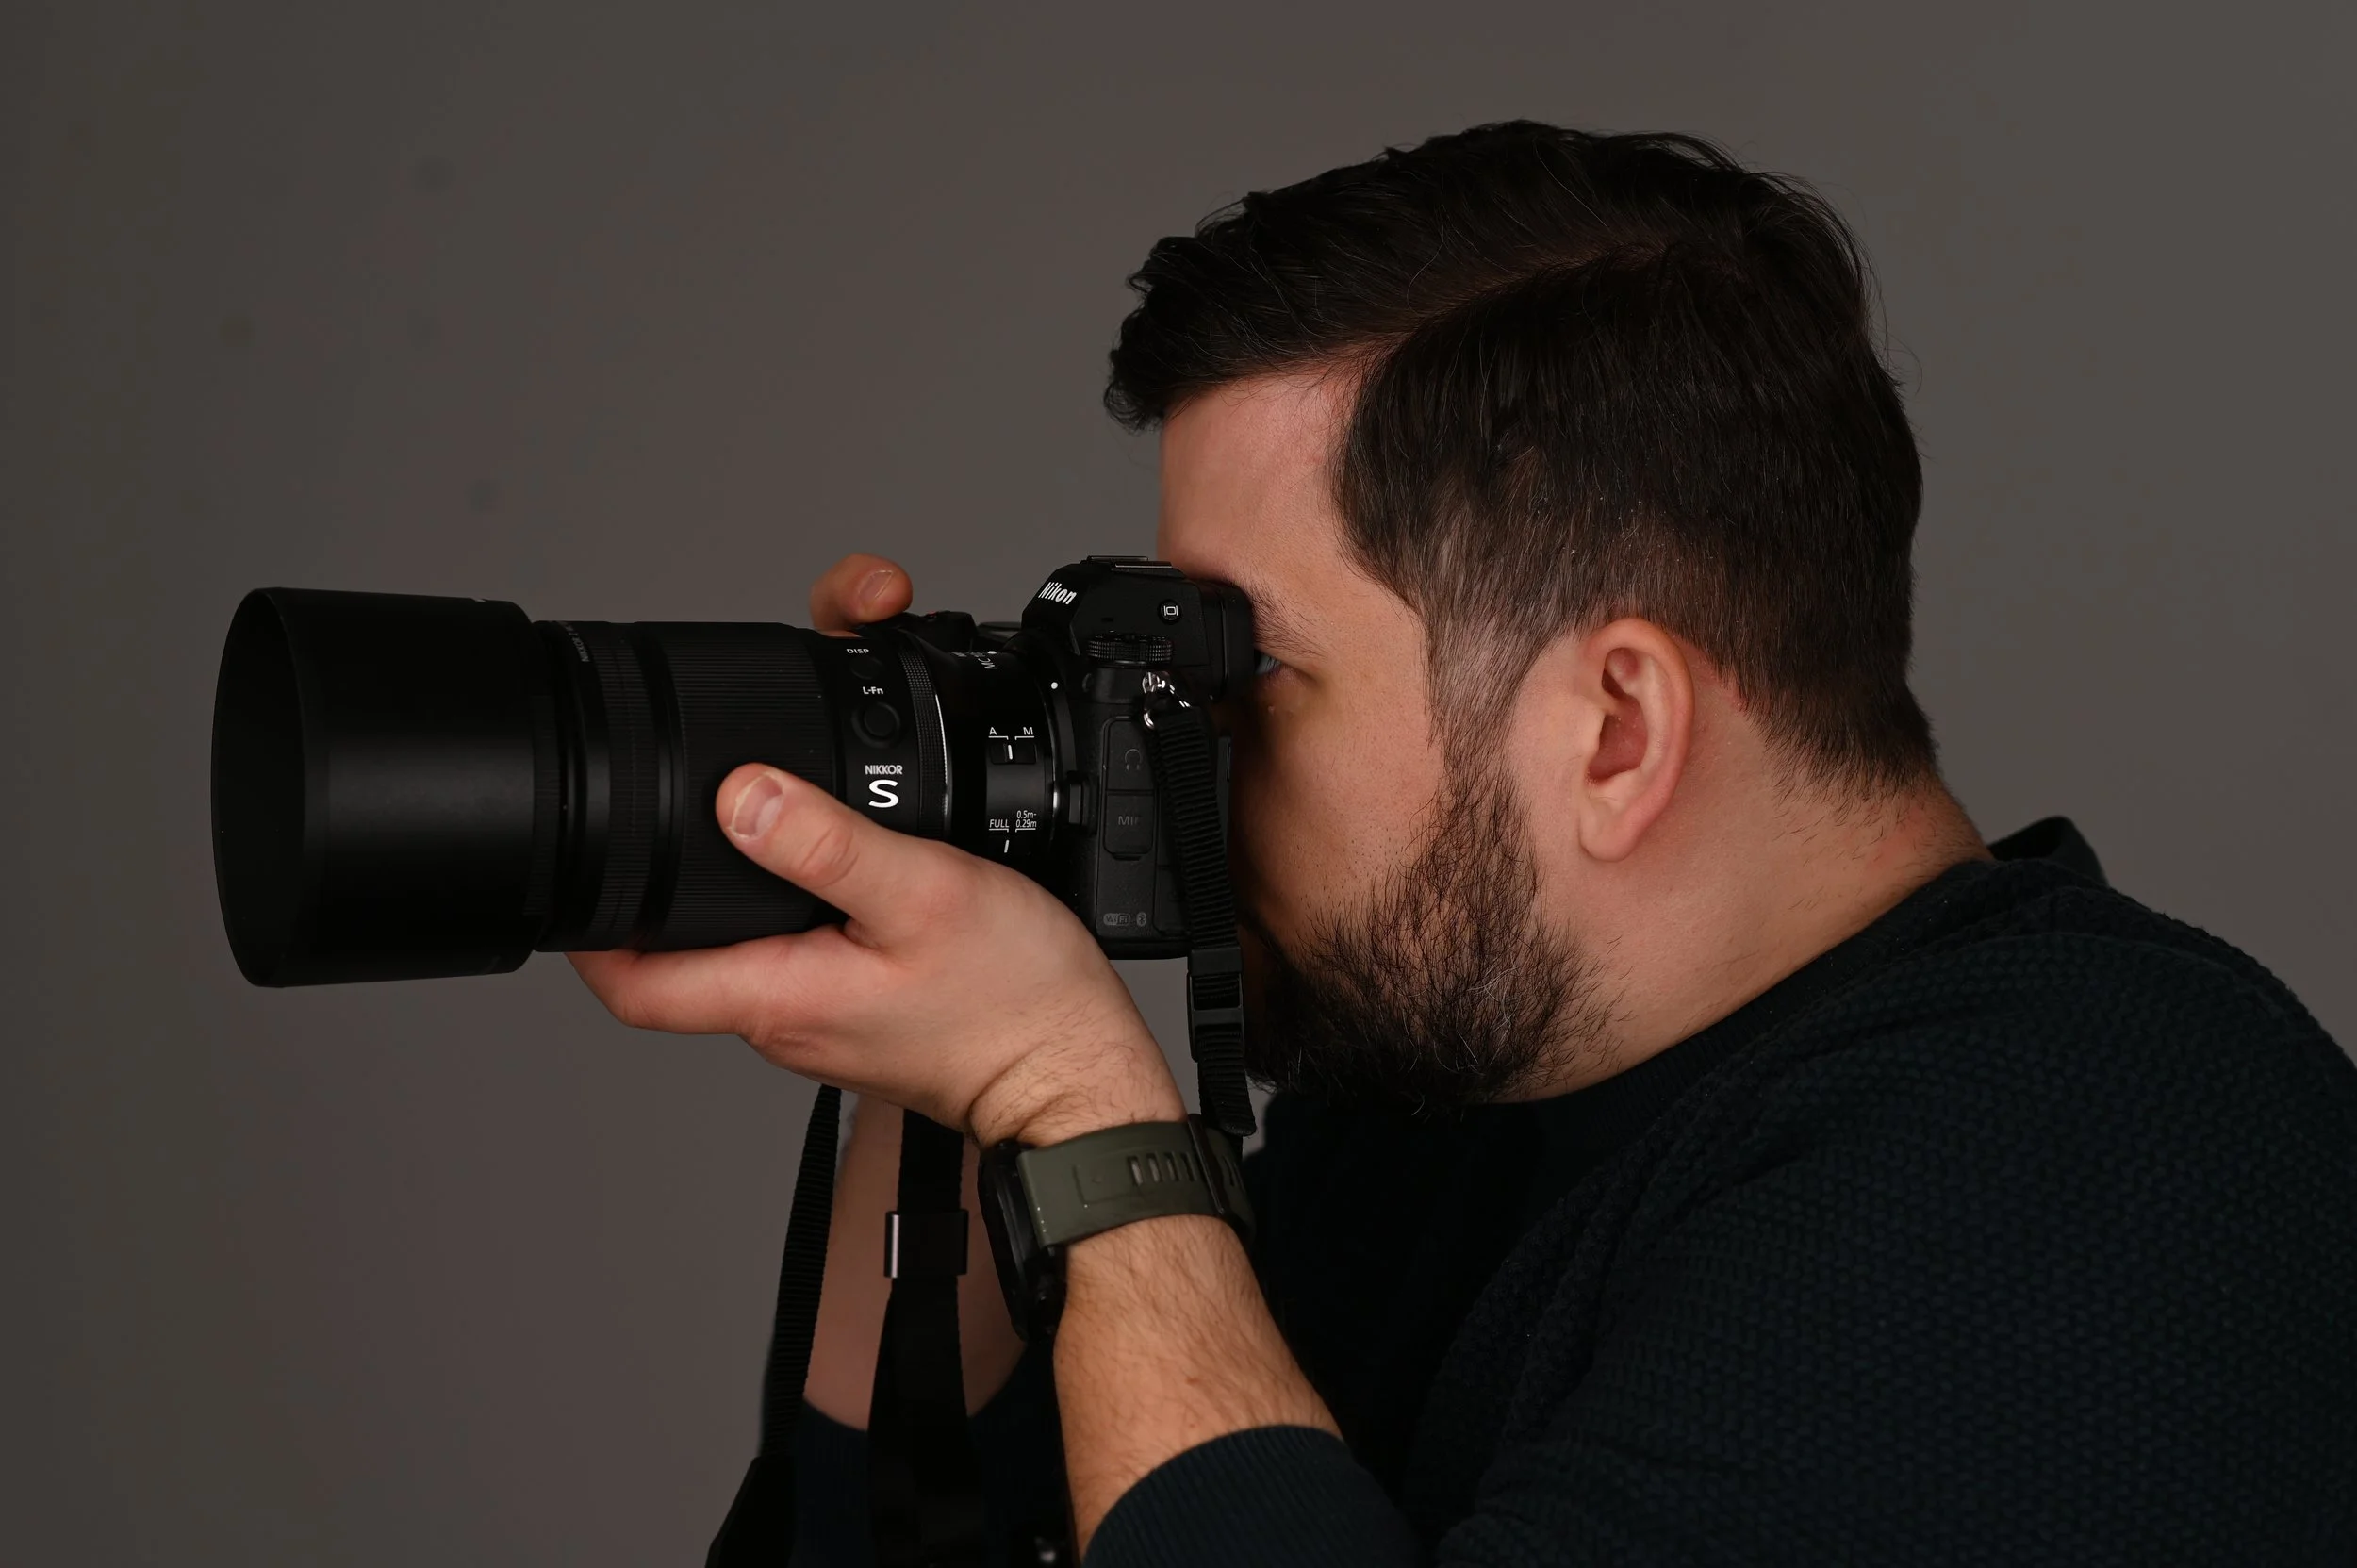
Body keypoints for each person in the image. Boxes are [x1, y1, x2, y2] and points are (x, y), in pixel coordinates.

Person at [571, 123, 2357, 1564]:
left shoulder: (2101, 1139)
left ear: (1614, 730)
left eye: (1244, 674)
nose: (1180, 745)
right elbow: (881, 1532)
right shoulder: (1436, 1083)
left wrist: (1081, 1111)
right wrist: (936, 942)